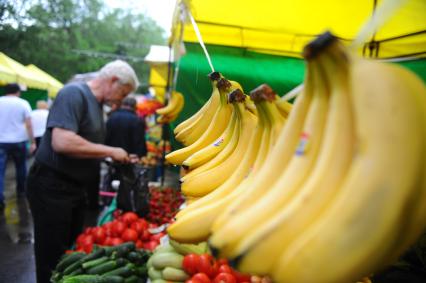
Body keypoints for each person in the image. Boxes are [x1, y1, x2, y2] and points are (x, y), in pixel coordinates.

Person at [26, 60, 139, 283]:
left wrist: (114, 155)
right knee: (52, 256)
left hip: (74, 189)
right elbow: (62, 141)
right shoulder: (73, 94)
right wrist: (110, 150)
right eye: (122, 93)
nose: (120, 100)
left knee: (69, 255)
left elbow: (85, 146)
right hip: (52, 187)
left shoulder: (97, 105)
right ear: (113, 80)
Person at [0, 83, 36, 210]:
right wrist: (32, 141)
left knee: (0, 170)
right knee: (21, 167)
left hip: (1, 141)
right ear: (17, 92)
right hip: (19, 141)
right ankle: (21, 191)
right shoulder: (23, 103)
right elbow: (29, 124)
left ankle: (0, 197)